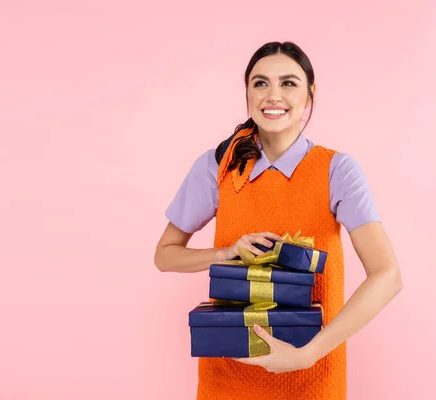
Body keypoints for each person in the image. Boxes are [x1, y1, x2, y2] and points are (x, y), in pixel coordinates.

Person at [153, 41, 403, 400]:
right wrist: (226, 253)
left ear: (310, 95)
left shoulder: (337, 170)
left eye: (288, 83)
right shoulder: (216, 165)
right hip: (227, 375)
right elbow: (165, 255)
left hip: (313, 376)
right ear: (247, 94)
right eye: (260, 83)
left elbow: (388, 276)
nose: (273, 95)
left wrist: (307, 354)